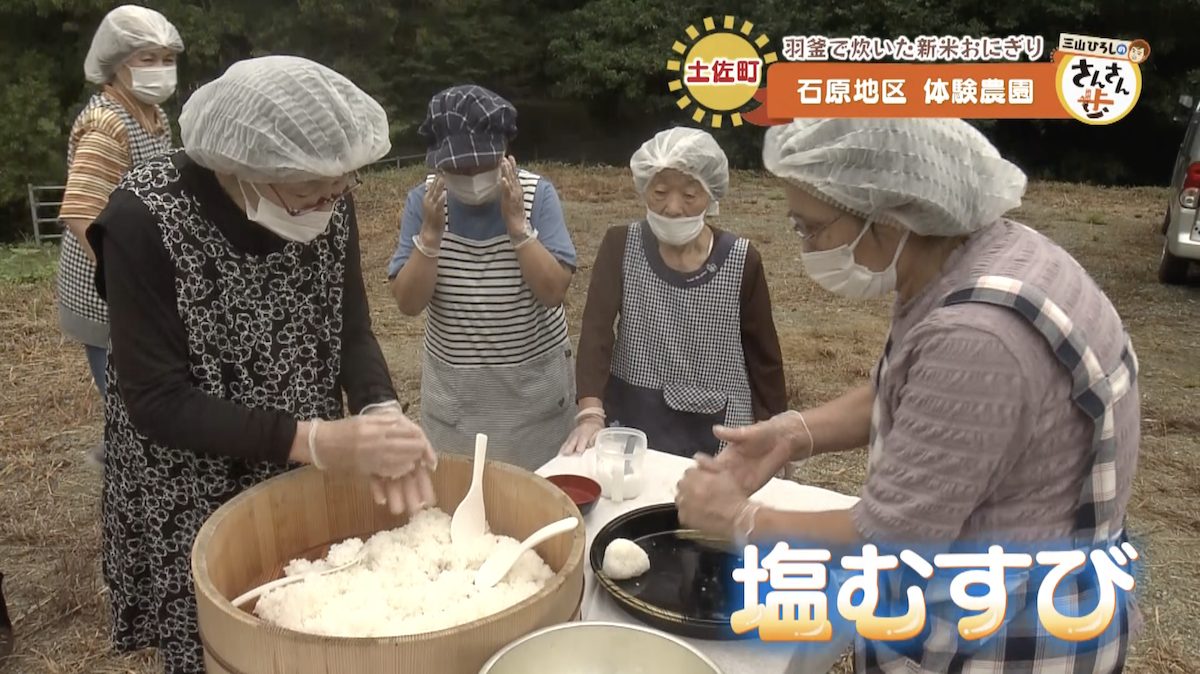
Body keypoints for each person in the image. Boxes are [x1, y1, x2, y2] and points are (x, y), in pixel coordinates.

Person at [675, 118, 1140, 672]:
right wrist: (793, 433)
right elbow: (912, 388)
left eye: (811, 228)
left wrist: (742, 520)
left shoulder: (977, 339)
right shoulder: (988, 252)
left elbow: (891, 542)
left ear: (891, 216)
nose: (807, 246)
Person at [86, 55, 437, 674]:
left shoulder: (325, 191)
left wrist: (378, 404)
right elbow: (156, 399)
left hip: (299, 455)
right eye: (306, 193)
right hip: (192, 477)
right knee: (225, 641)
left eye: (342, 186)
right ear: (238, 168)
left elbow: (349, 323)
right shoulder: (143, 219)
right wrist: (316, 440)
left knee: (312, 621)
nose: (328, 202)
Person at [560, 127, 787, 457]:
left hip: (720, 422)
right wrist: (591, 414)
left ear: (711, 196)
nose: (673, 207)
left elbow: (764, 357)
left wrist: (776, 433)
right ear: (644, 189)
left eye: (690, 196)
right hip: (635, 413)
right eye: (660, 192)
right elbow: (596, 333)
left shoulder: (741, 260)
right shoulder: (621, 245)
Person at [388, 85, 578, 470]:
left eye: (482, 165)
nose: (472, 177)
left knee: (536, 492)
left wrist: (518, 228)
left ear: (504, 152)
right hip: (457, 401)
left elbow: (553, 291)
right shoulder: (423, 203)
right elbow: (408, 303)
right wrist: (429, 238)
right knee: (459, 490)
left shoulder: (537, 196)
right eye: (458, 169)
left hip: (533, 397)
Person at [56, 4, 183, 466]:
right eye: (147, 59)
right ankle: (126, 462)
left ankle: (131, 448)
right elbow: (81, 212)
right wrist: (123, 278)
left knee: (143, 378)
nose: (160, 69)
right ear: (115, 65)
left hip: (138, 270)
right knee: (124, 386)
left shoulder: (153, 114)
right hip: (103, 285)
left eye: (167, 58)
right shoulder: (108, 125)